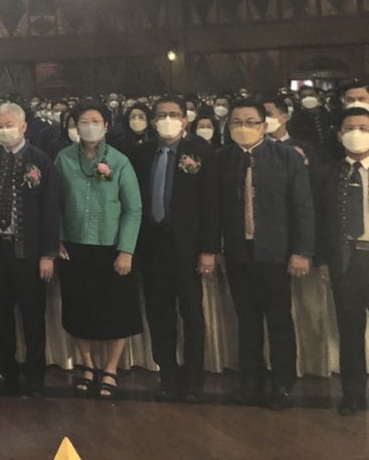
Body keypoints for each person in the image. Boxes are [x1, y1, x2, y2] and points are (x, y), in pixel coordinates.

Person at [217, 98, 314, 410]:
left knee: (279, 320)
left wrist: (301, 251)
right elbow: (213, 209)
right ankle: (250, 380)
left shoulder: (287, 157)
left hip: (275, 252)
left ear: (263, 125)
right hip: (238, 252)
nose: (243, 127)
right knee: (247, 321)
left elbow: (302, 207)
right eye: (236, 122)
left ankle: (283, 383)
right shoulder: (221, 159)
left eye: (250, 122)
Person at [128, 96, 218, 402]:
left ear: (185, 120)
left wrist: (208, 249)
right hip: (152, 244)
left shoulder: (201, 153)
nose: (167, 120)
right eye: (162, 115)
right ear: (153, 122)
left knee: (191, 312)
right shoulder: (141, 154)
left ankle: (194, 378)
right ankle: (167, 373)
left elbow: (211, 205)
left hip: (188, 247)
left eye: (174, 114)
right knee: (159, 313)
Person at [54, 101, 142, 400]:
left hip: (111, 247)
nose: (89, 126)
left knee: (116, 311)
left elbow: (133, 208)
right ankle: (88, 365)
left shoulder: (120, 161)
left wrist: (126, 250)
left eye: (95, 121)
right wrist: (57, 239)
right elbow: (54, 203)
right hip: (74, 246)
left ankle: (111, 368)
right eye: (83, 121)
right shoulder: (64, 159)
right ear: (75, 126)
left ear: (106, 125)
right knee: (79, 309)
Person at [0, 103, 59, 394]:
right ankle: (4, 370)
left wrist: (48, 254)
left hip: (30, 252)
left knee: (32, 315)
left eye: (9, 125)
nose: (4, 131)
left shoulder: (40, 160)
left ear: (23, 127)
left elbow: (51, 209)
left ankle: (35, 374)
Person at [317, 106, 369, 415]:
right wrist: (324, 259)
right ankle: (353, 393)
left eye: (364, 128)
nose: (356, 134)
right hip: (347, 260)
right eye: (350, 128)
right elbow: (321, 221)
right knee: (350, 330)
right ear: (339, 134)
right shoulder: (328, 173)